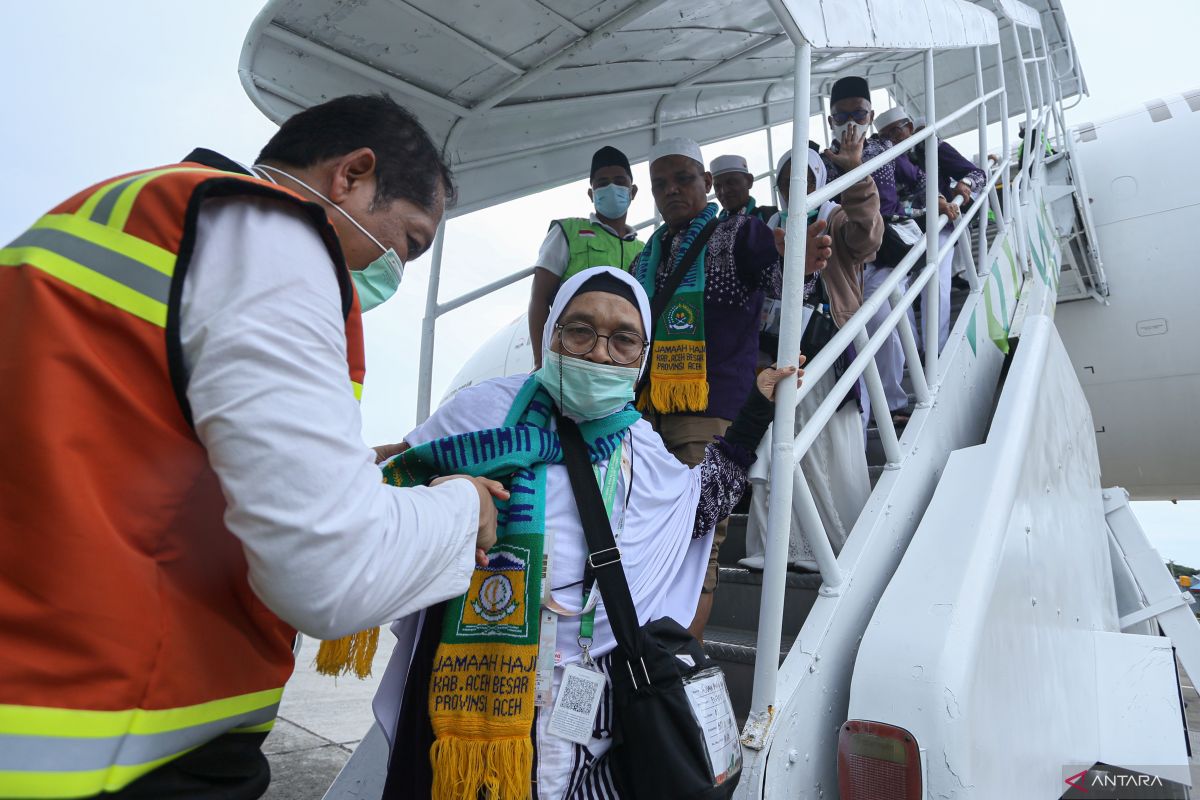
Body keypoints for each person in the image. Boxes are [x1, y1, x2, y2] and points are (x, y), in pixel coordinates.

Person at [0, 94, 505, 799]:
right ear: (353, 175)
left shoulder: (98, 218)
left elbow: (119, 444)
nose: (397, 267)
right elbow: (332, 570)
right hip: (116, 740)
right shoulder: (273, 237)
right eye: (409, 240)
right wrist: (458, 507)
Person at [371, 267, 797, 800]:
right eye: (580, 330)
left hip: (594, 704)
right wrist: (451, 496)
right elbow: (394, 487)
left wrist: (757, 409)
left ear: (642, 357)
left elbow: (701, 502)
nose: (600, 353)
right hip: (472, 691)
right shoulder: (480, 413)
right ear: (552, 334)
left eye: (623, 340)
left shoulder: (643, 448)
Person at [633, 136, 831, 639]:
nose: (672, 191)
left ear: (706, 184)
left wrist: (802, 267)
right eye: (660, 184)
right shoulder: (646, 256)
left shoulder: (738, 232)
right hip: (645, 417)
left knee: (699, 545)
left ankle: (677, 662)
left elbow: (785, 284)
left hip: (712, 410)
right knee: (645, 535)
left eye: (683, 179)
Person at [744, 146, 880, 570]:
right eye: (786, 181)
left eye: (804, 179)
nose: (794, 188)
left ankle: (838, 545)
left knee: (831, 446)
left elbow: (869, 236)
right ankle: (781, 546)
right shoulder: (771, 225)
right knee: (779, 439)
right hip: (785, 348)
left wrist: (855, 173)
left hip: (830, 344)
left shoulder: (836, 214)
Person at [823, 76, 925, 428]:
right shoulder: (823, 162)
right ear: (830, 119)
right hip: (846, 257)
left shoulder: (885, 150)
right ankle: (866, 406)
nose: (850, 121)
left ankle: (892, 399)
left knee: (882, 319)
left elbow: (919, 181)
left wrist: (934, 201)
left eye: (859, 113)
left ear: (871, 115)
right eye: (841, 115)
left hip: (886, 249)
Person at [878, 104, 986, 352]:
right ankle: (913, 351)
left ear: (910, 128)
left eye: (897, 131)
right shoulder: (883, 159)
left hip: (937, 225)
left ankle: (935, 351)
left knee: (934, 282)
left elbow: (977, 173)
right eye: (886, 136)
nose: (893, 139)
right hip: (903, 234)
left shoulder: (930, 147)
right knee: (895, 289)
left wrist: (965, 184)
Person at [528, 146, 645, 366]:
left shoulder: (645, 249)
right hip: (575, 348)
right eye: (602, 183)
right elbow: (539, 297)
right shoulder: (567, 232)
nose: (612, 188)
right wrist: (540, 361)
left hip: (622, 355)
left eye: (620, 181)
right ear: (592, 194)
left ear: (633, 191)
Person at [710, 153, 778, 223]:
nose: (724, 191)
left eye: (731, 182)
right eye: (717, 186)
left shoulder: (772, 218)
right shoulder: (713, 227)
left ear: (749, 181)